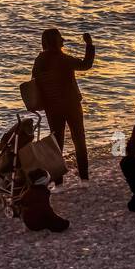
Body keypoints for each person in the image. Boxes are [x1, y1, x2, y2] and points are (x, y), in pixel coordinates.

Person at [31, 27, 96, 189]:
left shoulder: (39, 61)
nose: (63, 40)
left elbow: (34, 82)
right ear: (54, 41)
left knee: (57, 145)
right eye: (60, 38)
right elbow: (86, 64)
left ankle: (59, 184)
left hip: (52, 108)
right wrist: (89, 44)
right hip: (71, 105)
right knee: (79, 140)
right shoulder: (63, 59)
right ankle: (84, 180)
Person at [21, 168, 70, 233]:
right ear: (45, 181)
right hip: (37, 223)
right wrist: (58, 220)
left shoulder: (28, 192)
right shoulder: (43, 193)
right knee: (62, 224)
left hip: (28, 222)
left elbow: (22, 202)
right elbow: (46, 210)